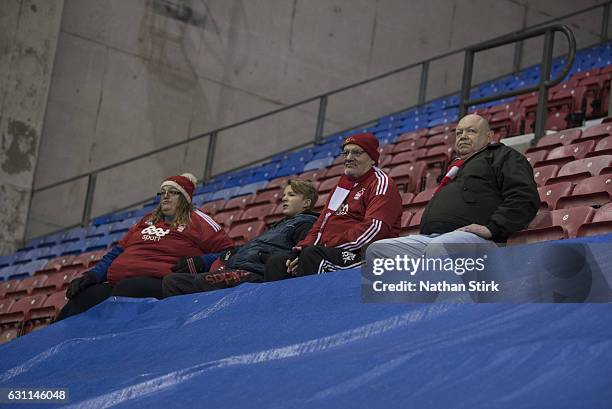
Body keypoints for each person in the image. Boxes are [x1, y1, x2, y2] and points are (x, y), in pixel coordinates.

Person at [56, 173, 234, 320]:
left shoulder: (199, 221)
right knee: (82, 296)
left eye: (173, 192)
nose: (165, 196)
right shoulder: (146, 220)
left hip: (158, 285)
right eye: (163, 192)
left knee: (129, 290)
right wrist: (93, 275)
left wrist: (200, 262)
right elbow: (118, 252)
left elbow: (230, 252)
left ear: (185, 198)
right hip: (118, 284)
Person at [366, 114, 540, 262]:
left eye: (471, 131)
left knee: (440, 249)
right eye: (459, 133)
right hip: (432, 239)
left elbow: (524, 196)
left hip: (480, 240)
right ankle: (410, 300)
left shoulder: (504, 156)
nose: (463, 136)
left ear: (489, 137)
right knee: (378, 250)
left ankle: (454, 302)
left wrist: (492, 228)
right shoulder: (456, 166)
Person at [265, 133, 402, 280]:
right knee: (278, 262)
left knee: (312, 256)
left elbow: (374, 229)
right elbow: (321, 224)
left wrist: (325, 246)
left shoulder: (381, 183)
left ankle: (311, 303)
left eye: (356, 152)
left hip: (367, 256)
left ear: (372, 159)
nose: (349, 158)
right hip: (331, 251)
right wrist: (302, 248)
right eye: (346, 152)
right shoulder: (342, 186)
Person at [161, 179, 319, 297]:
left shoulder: (305, 224)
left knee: (187, 283)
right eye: (284, 195)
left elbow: (300, 253)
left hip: (254, 274)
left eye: (291, 195)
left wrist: (262, 256)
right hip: (238, 268)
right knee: (173, 281)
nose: (284, 198)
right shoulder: (278, 226)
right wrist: (205, 261)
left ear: (306, 202)